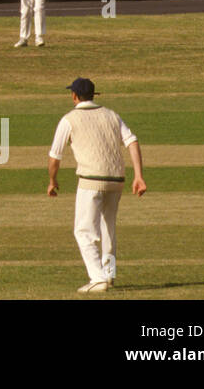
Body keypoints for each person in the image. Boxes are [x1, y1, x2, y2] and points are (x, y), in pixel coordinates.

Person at [47, 77, 146, 293]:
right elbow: (132, 141)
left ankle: (97, 277)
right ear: (94, 95)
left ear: (74, 96)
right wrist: (138, 176)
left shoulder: (69, 119)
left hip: (91, 181)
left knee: (83, 231)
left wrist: (53, 181)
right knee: (107, 227)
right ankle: (109, 274)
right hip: (116, 180)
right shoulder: (112, 115)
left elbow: (55, 157)